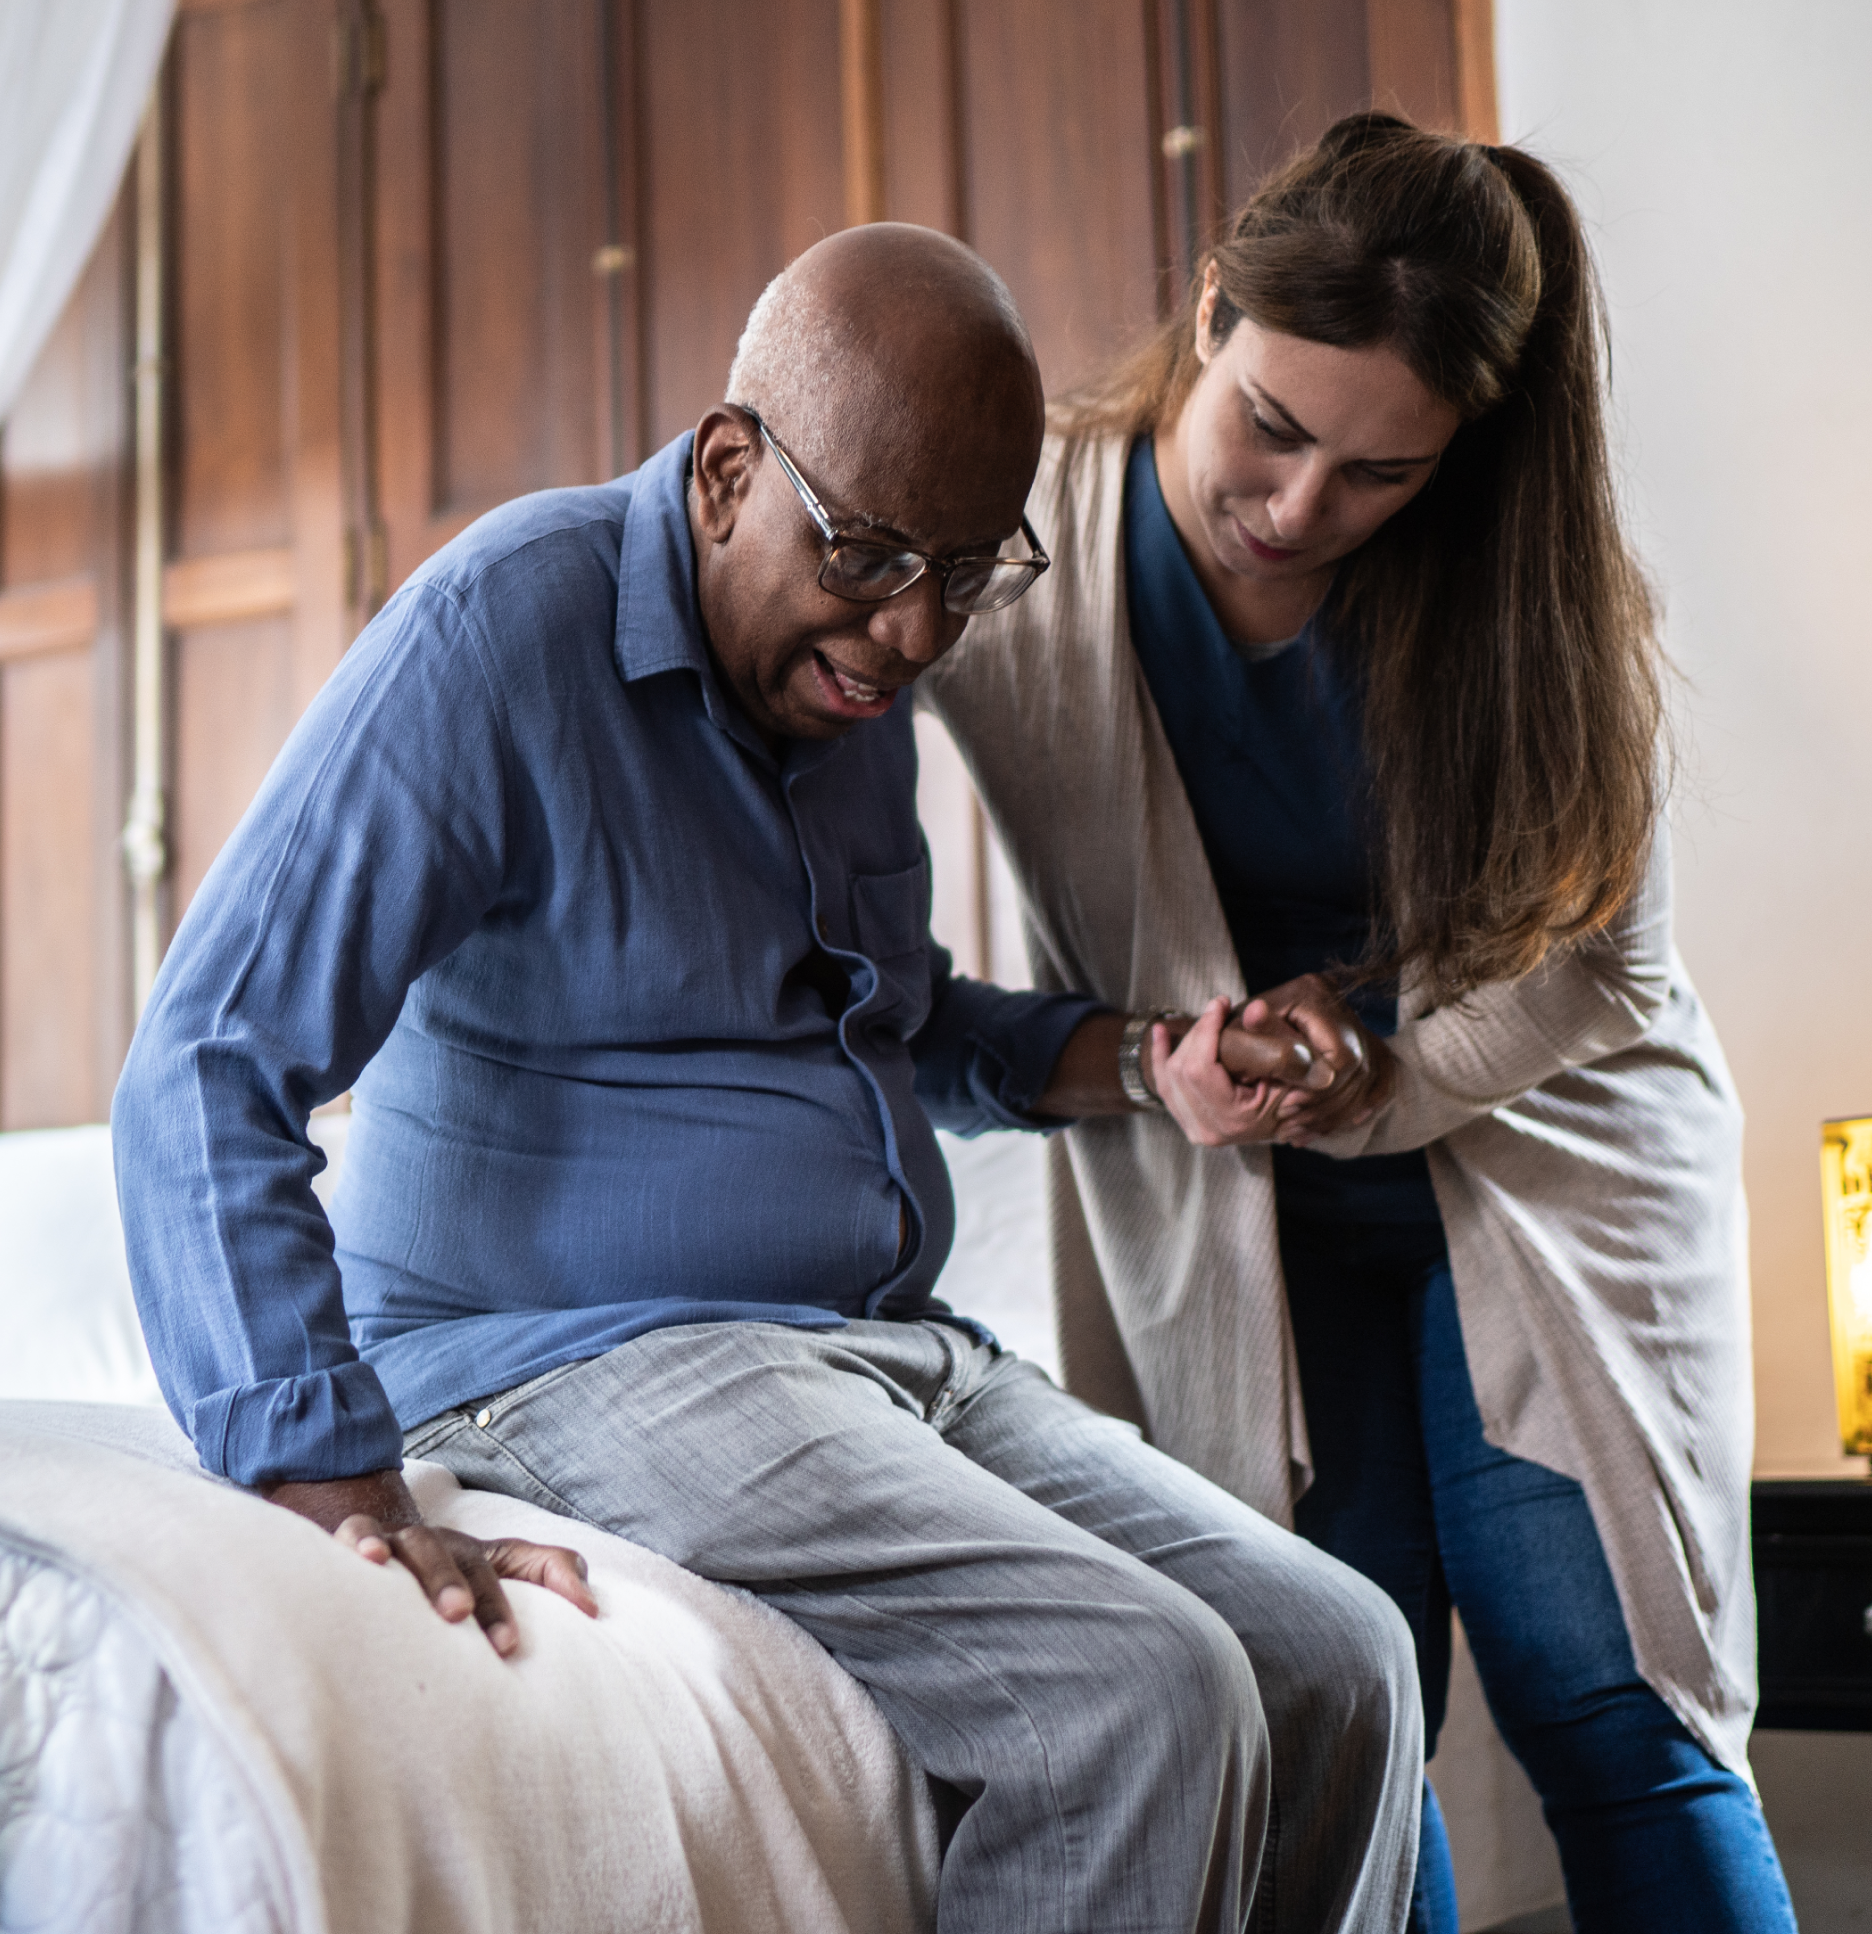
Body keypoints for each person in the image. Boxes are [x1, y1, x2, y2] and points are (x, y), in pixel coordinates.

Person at [113, 222, 1426, 1934]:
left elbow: (895, 1020)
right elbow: (207, 1058)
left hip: (881, 1351)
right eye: (873, 555)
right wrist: (325, 1472)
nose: (911, 633)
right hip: (572, 1360)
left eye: (969, 573)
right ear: (731, 469)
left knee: (1345, 1655)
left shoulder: (842, 697)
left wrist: (1138, 1063)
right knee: (1140, 1692)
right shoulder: (501, 637)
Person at [921, 115, 1798, 1933]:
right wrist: (1150, 1057)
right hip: (1243, 1210)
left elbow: (1603, 965)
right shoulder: (1025, 551)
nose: (1302, 509)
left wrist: (1375, 1073)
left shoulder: (1521, 585)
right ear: (1214, 309)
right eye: (1273, 426)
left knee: (1609, 1700)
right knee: (1342, 1713)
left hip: (1542, 1161)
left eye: (1379, 475)